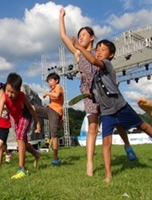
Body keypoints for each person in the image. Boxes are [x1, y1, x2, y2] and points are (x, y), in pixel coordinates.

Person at [59, 8, 136, 176]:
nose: (80, 37)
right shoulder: (78, 53)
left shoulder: (99, 53)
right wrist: (61, 17)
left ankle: (127, 145)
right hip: (88, 94)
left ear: (92, 37)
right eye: (79, 36)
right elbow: (63, 36)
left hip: (106, 93)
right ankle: (89, 164)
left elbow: (108, 69)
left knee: (118, 122)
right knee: (93, 127)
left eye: (84, 35)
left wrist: (113, 83)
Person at [72, 38, 152, 182]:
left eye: (103, 50)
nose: (99, 52)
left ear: (111, 55)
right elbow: (97, 97)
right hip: (107, 113)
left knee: (144, 126)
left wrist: (78, 46)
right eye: (97, 50)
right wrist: (91, 94)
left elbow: (93, 61)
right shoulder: (94, 79)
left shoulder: (107, 65)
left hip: (121, 107)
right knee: (106, 143)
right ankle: (108, 175)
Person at [0, 72, 41, 179]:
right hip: (16, 120)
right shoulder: (4, 97)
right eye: (8, 91)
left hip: (25, 116)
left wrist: (38, 123)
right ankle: (36, 154)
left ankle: (21, 168)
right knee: (23, 143)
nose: (9, 94)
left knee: (20, 137)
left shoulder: (22, 96)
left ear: (18, 91)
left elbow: (30, 109)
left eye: (13, 92)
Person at [32, 72, 63, 165]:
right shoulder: (52, 90)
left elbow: (57, 95)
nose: (49, 83)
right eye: (48, 81)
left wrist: (47, 93)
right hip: (49, 109)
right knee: (32, 108)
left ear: (56, 80)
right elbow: (54, 101)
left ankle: (55, 157)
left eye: (51, 80)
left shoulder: (58, 87)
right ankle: (38, 126)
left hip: (55, 112)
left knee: (54, 134)